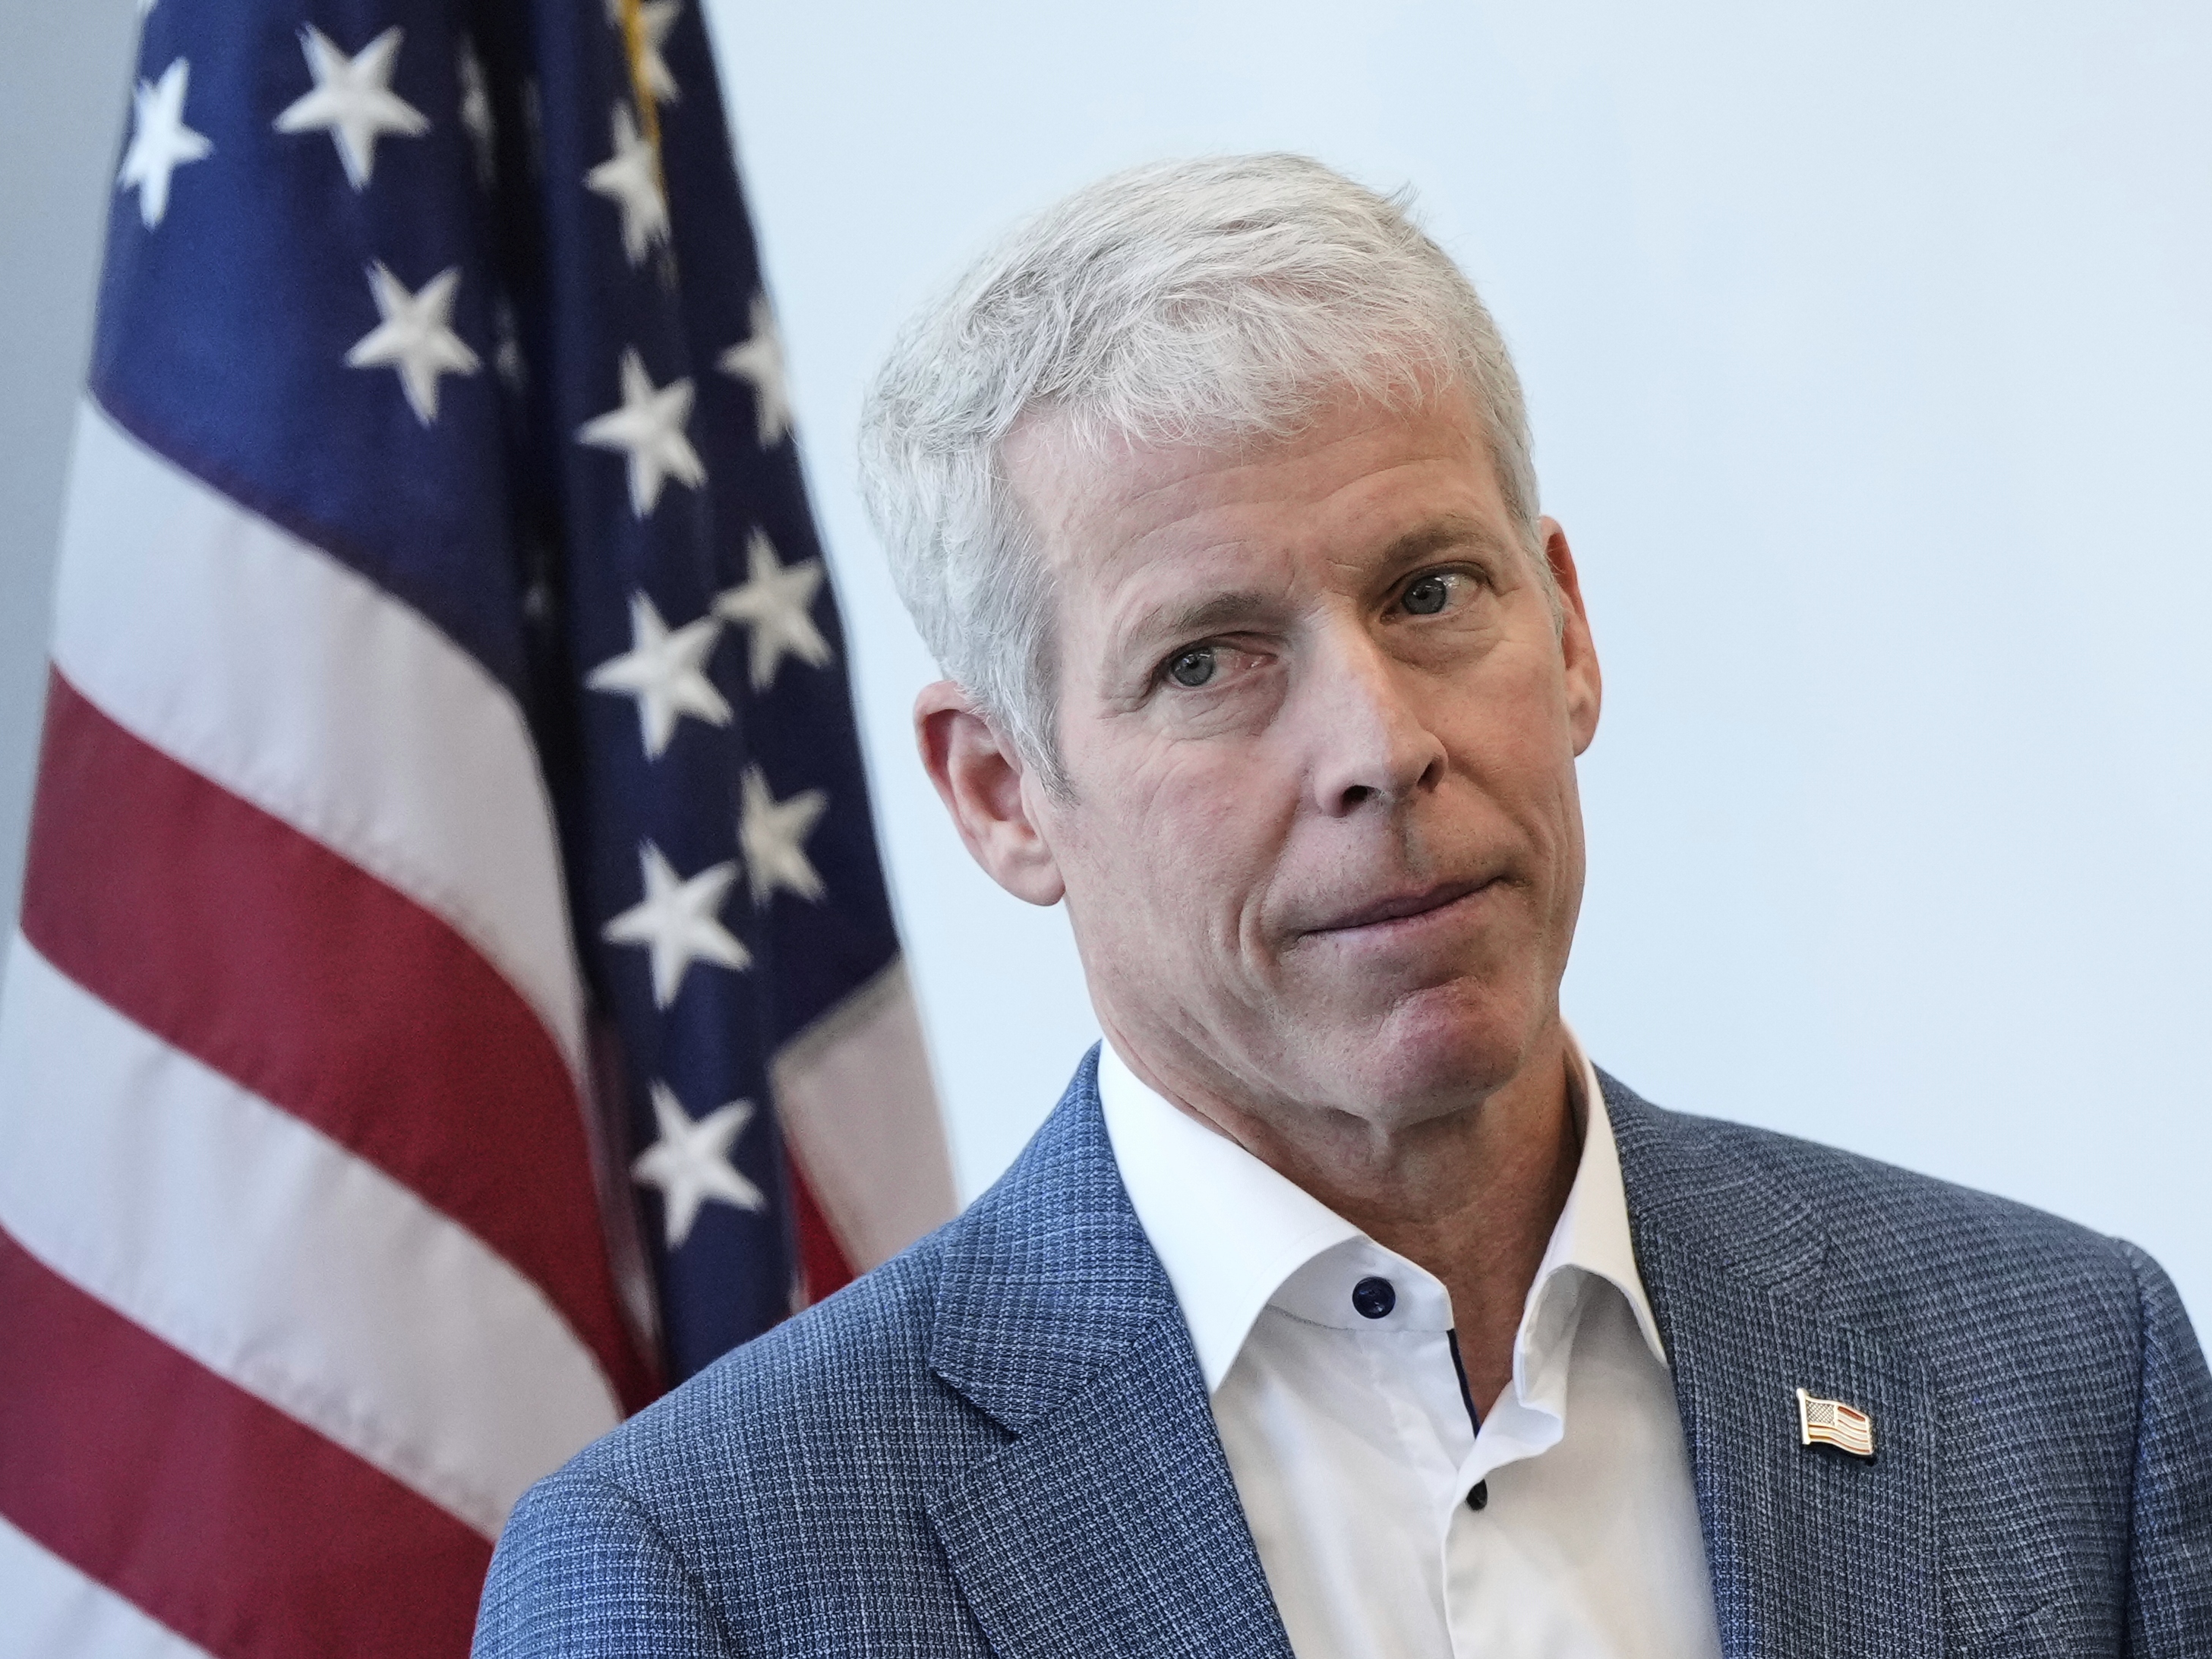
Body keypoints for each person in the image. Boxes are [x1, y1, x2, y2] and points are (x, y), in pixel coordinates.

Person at [474, 154, 2210, 1657]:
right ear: (1001, 792)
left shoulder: (2064, 1372)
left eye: (1431, 590)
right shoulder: (702, 1573)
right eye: (1210, 661)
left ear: (1569, 630)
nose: (1381, 745)